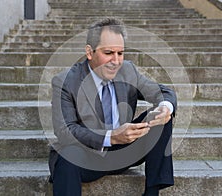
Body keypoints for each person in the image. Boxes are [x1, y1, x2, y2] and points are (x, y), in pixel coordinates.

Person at [48, 17, 177, 196]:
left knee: (160, 118)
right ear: (89, 52)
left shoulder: (127, 70)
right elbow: (65, 130)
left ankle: (152, 192)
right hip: (88, 154)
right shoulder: (65, 81)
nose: (115, 61)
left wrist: (165, 107)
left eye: (120, 53)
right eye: (108, 53)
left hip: (125, 150)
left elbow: (162, 91)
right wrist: (111, 137)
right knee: (68, 156)